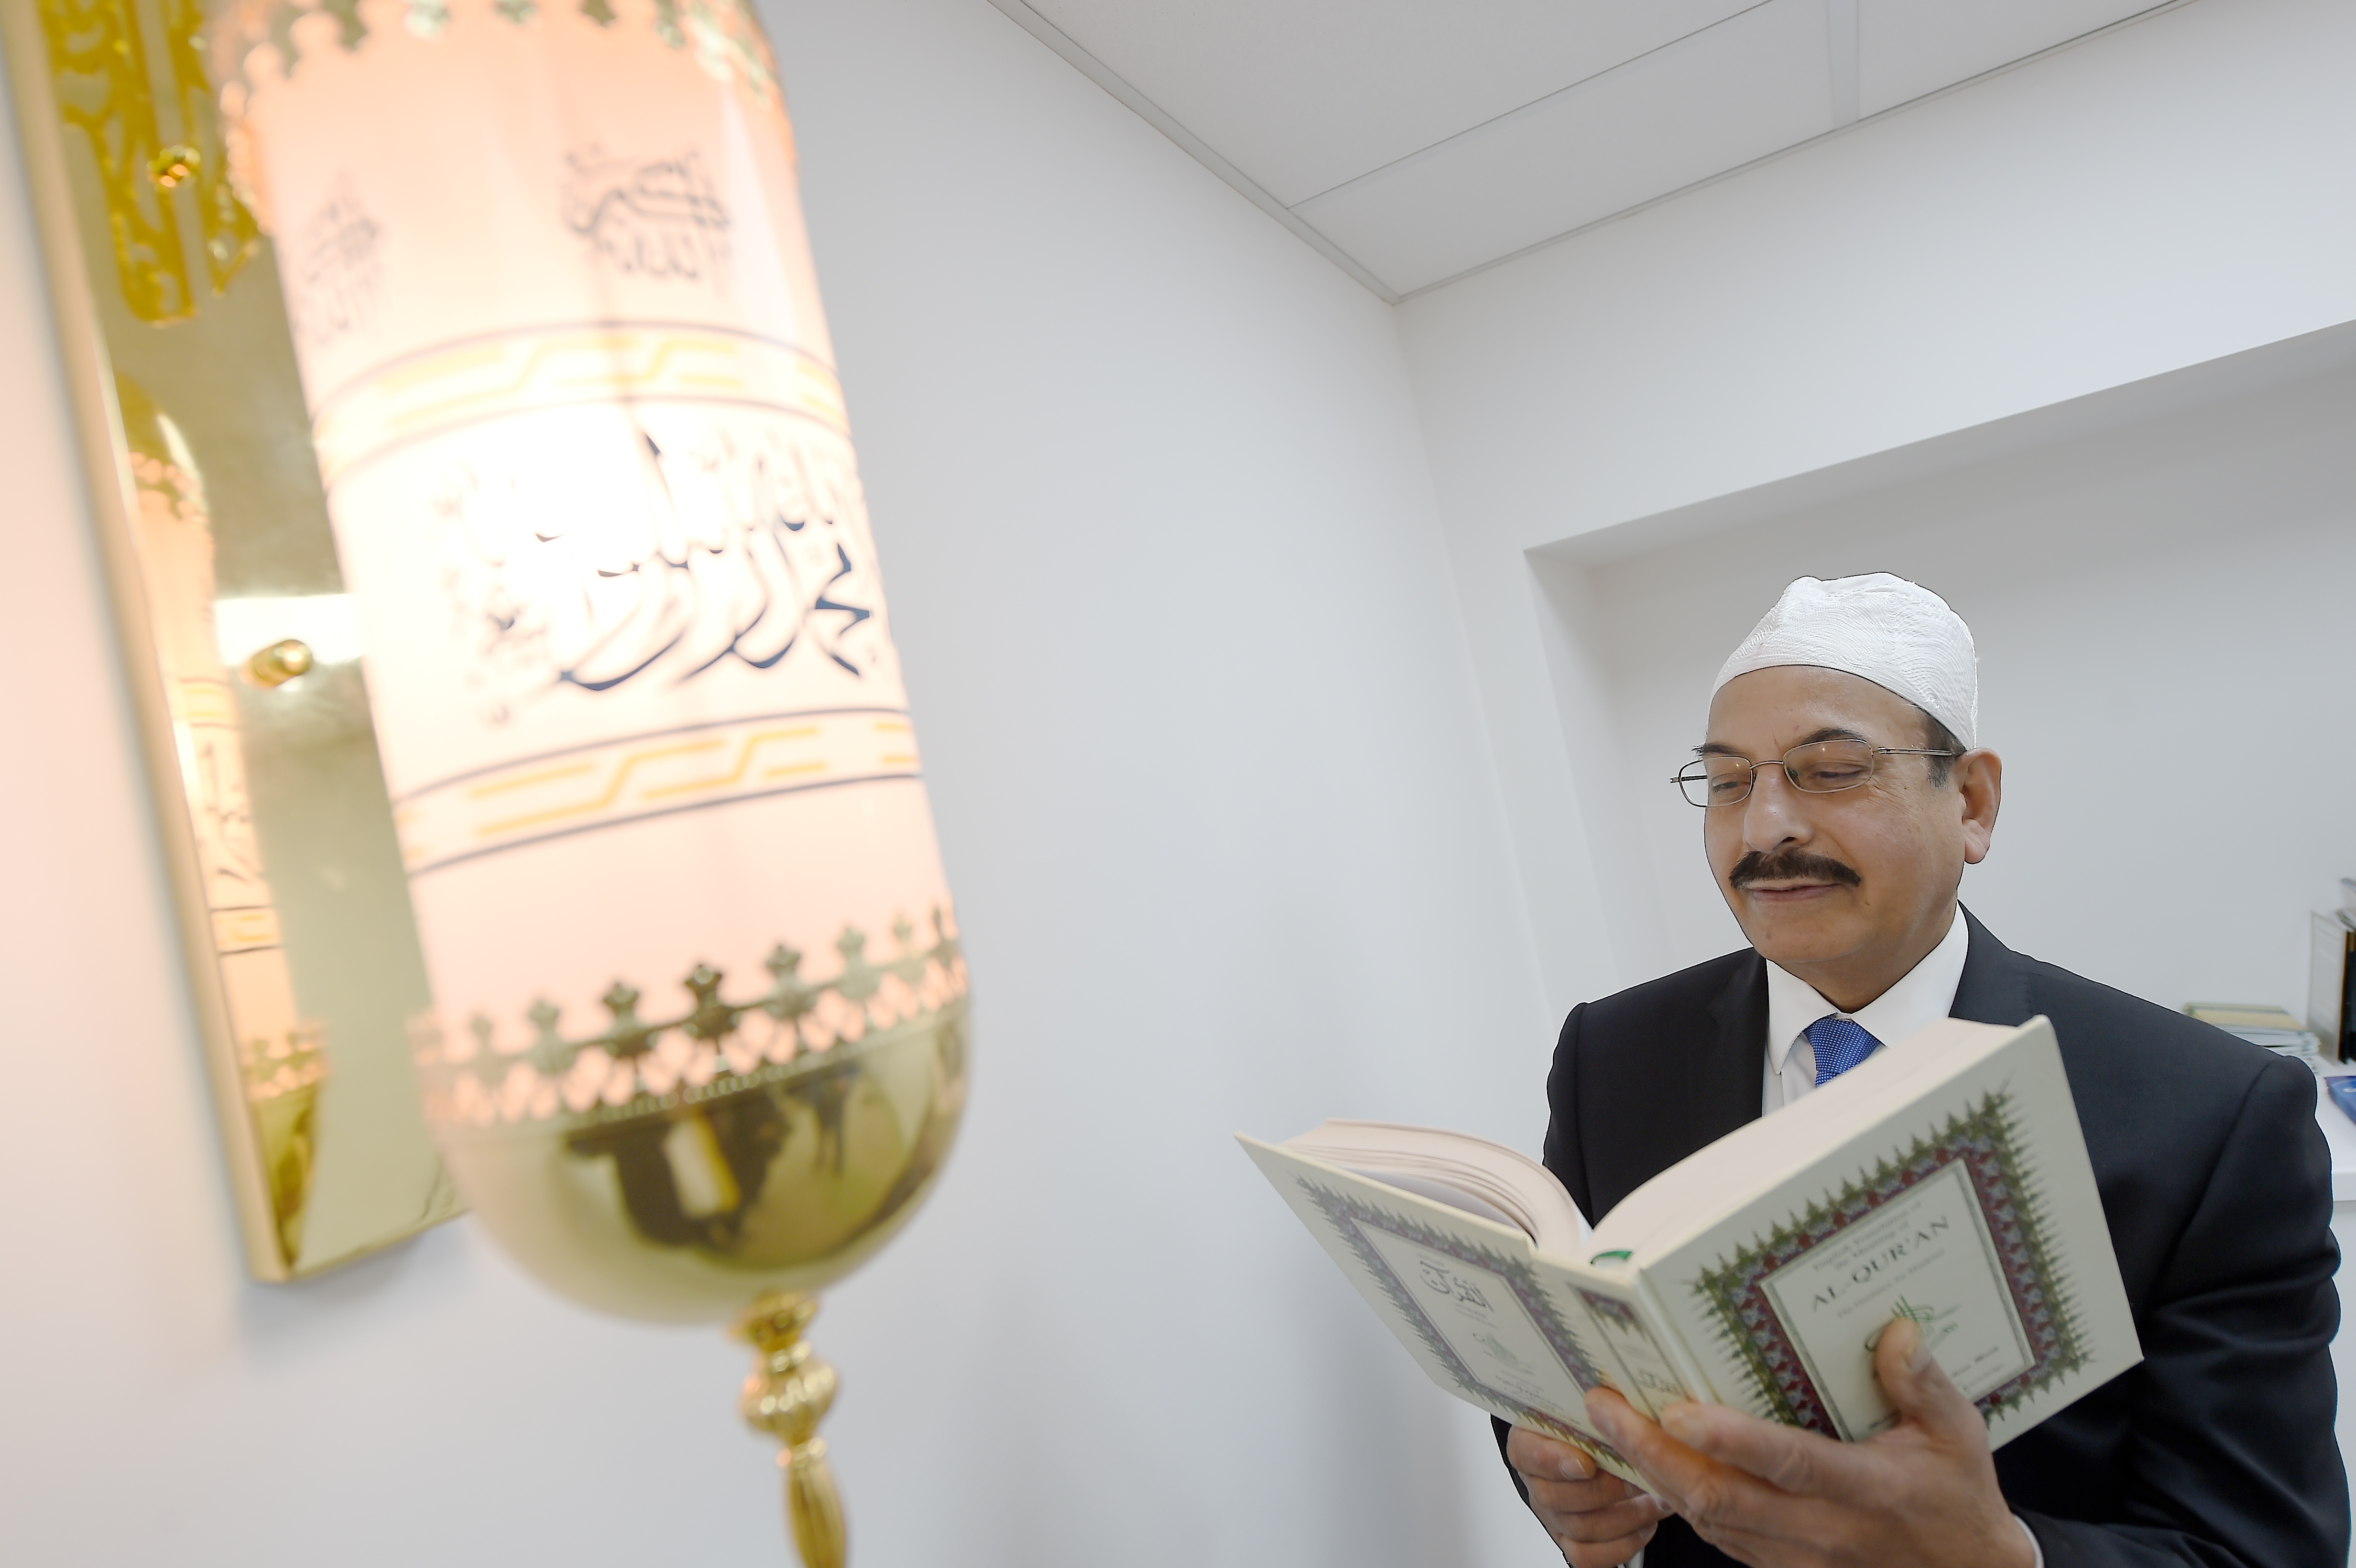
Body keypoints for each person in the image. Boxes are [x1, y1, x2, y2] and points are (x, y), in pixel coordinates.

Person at [1498, 574, 2345, 1567]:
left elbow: (2262, 1547)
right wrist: (1552, 1470)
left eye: (1831, 769)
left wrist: (1997, 1555)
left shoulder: (2209, 1115)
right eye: (1727, 781)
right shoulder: (1614, 1054)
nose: (1764, 828)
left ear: (1973, 801)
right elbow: (1564, 1345)